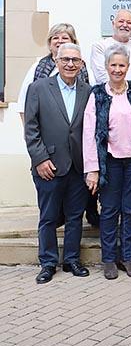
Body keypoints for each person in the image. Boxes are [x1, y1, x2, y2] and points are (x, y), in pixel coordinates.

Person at [83, 43, 131, 280]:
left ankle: (127, 257)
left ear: (128, 67)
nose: (117, 69)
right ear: (106, 66)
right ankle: (108, 259)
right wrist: (92, 169)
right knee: (109, 211)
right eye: (113, 65)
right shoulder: (97, 95)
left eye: (122, 65)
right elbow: (89, 133)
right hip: (110, 162)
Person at [24, 42, 92, 284]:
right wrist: (40, 158)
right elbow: (31, 128)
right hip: (49, 165)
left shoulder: (88, 91)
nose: (70, 64)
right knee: (49, 217)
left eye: (75, 60)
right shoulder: (38, 88)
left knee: (75, 216)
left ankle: (72, 259)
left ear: (81, 64)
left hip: (78, 166)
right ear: (56, 61)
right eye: (65, 60)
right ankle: (48, 263)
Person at [17, 23, 90, 123]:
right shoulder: (37, 68)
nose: (60, 41)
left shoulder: (84, 68)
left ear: (73, 42)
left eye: (65, 38)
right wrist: (29, 130)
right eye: (55, 38)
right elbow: (23, 105)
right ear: (50, 44)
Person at [90, 9, 131, 86]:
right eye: (121, 21)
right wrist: (120, 90)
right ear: (113, 23)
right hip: (108, 93)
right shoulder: (100, 47)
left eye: (129, 23)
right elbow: (101, 76)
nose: (125, 25)